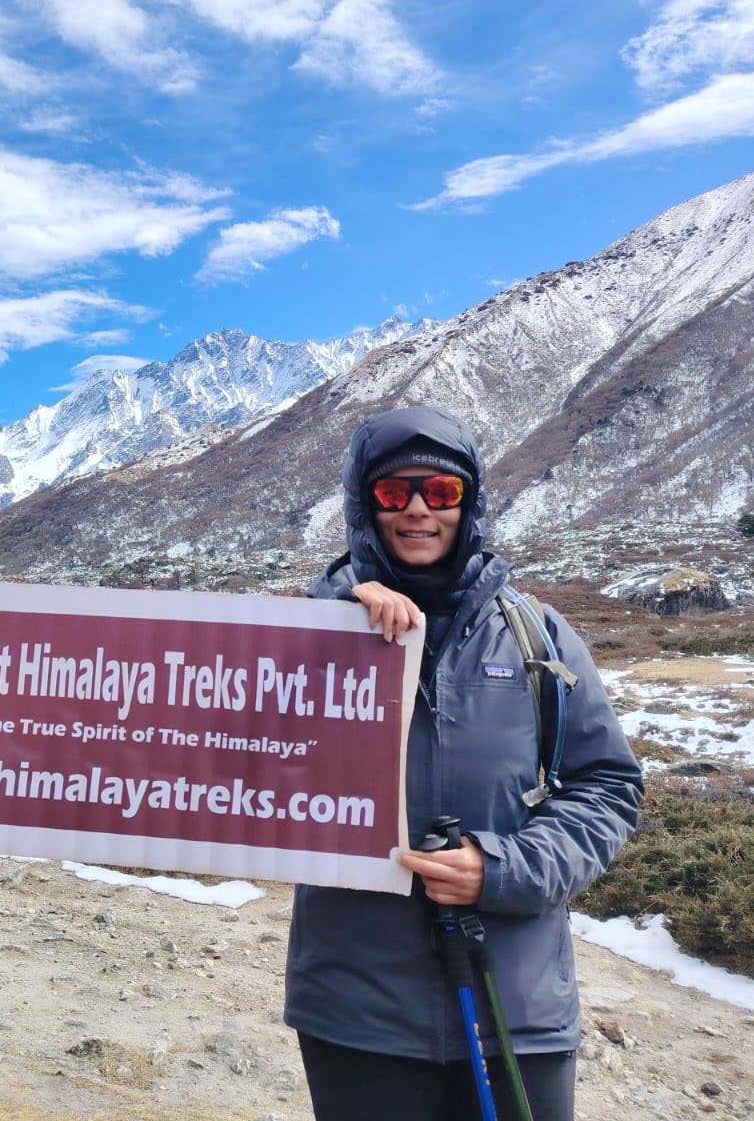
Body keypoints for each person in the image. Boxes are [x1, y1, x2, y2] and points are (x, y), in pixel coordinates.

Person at [284, 405, 642, 1121]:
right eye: (394, 493)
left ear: (468, 503)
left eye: (441, 493)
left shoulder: (538, 634)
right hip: (359, 1012)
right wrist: (329, 620)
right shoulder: (309, 636)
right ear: (365, 505)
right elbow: (236, 758)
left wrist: (505, 868)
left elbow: (607, 786)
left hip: (517, 1005)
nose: (418, 511)